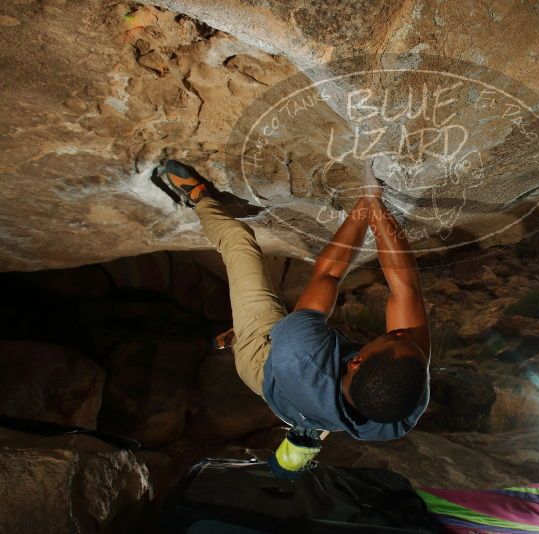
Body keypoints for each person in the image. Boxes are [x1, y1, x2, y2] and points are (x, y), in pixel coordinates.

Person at [158, 159, 430, 466]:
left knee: (239, 241)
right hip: (309, 393)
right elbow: (406, 289)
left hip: (262, 360)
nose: (403, 332)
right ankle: (254, 338)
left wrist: (365, 205)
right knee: (300, 328)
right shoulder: (399, 411)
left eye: (394, 335)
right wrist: (373, 205)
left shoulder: (301, 354)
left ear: (357, 361)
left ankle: (199, 198)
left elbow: (327, 275)